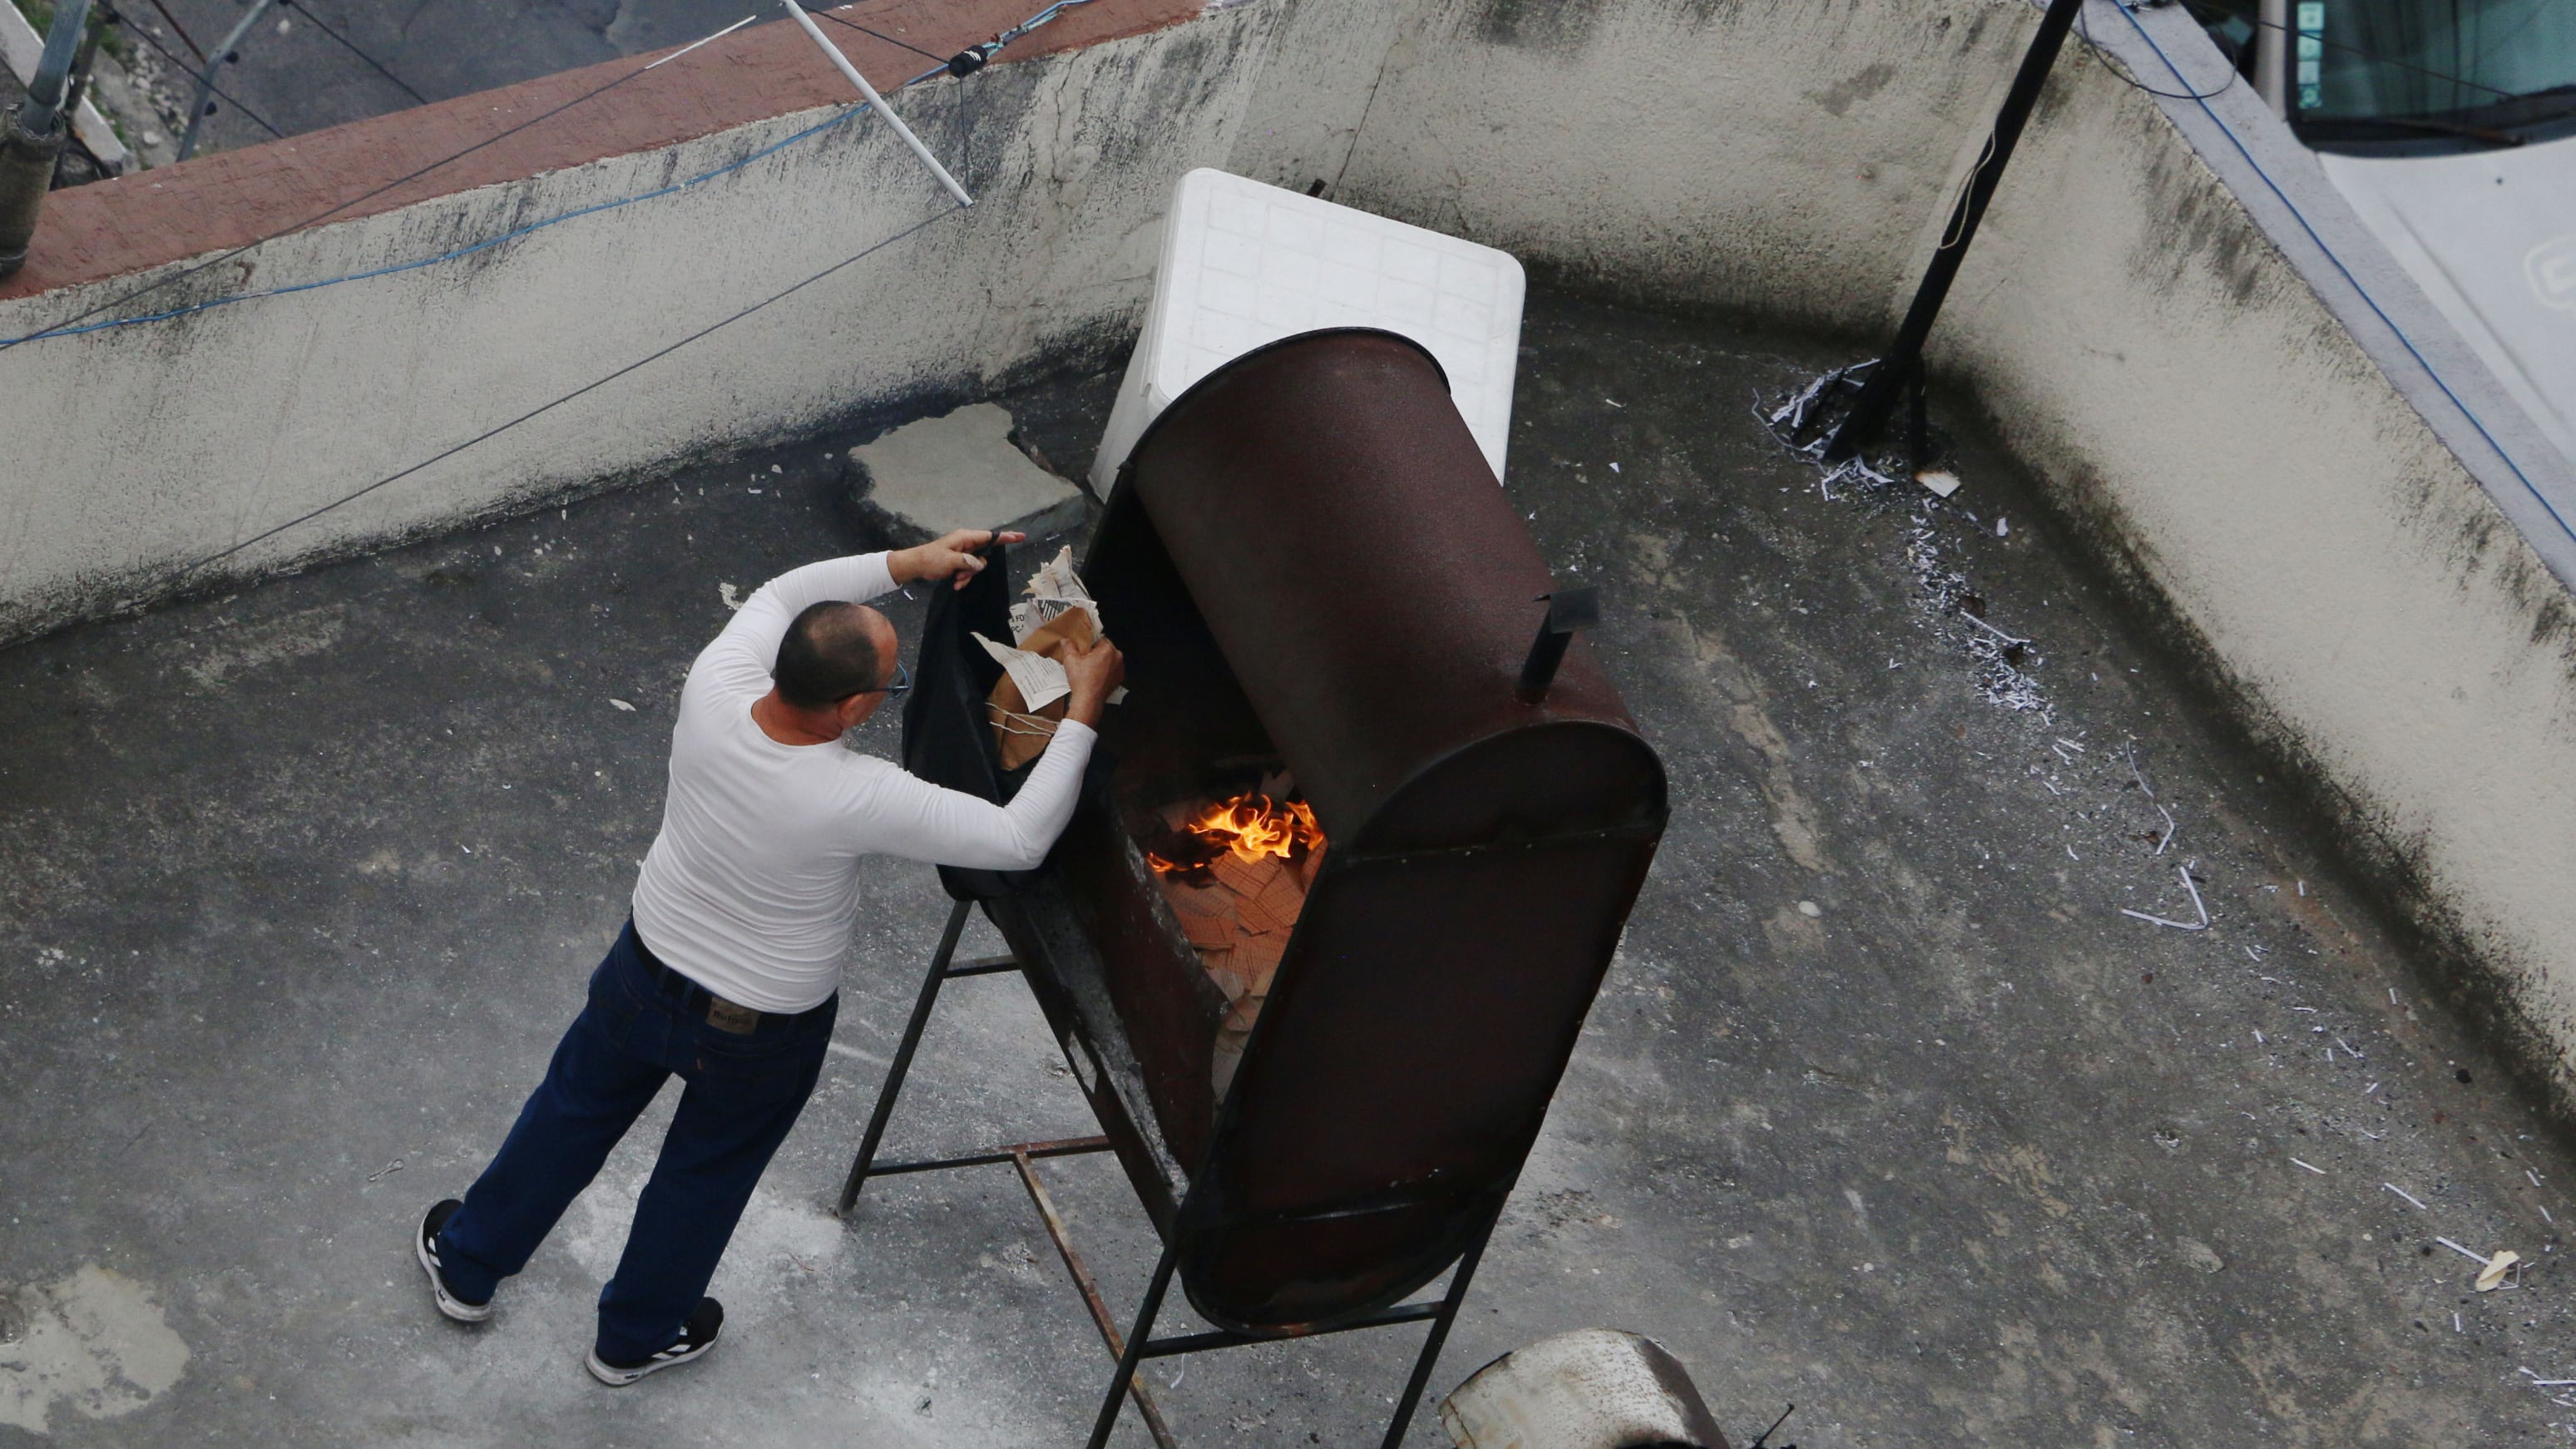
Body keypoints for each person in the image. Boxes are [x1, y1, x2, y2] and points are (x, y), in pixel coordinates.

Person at [413, 527, 1123, 1385]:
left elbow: (784, 588)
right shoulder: (854, 793)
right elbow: (1019, 836)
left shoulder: (716, 684)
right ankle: (631, 1337)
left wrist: (908, 564)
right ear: (856, 708)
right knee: (702, 1176)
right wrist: (1084, 702)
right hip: (759, 1030)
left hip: (643, 970)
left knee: (569, 1112)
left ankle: (468, 1263)